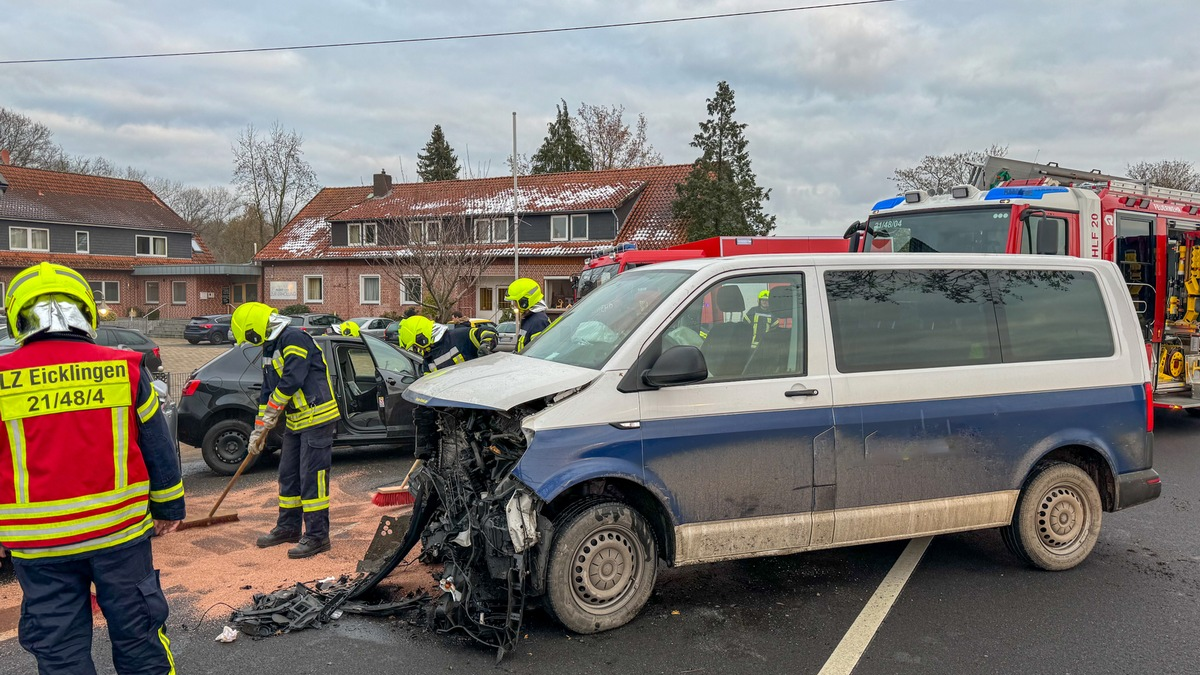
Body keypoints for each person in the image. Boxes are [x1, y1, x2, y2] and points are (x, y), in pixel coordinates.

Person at [0, 262, 184, 675]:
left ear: (17, 314)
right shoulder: (125, 368)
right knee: (140, 639)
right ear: (84, 309)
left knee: (60, 650)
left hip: (39, 544)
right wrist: (169, 508)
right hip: (119, 535)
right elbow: (157, 445)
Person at [231, 302, 341, 559]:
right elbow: (268, 390)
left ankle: (317, 536)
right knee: (288, 474)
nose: (251, 343)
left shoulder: (294, 338)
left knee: (312, 478)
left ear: (254, 329)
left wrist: (272, 412)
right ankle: (288, 527)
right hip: (296, 421)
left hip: (317, 417)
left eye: (249, 337)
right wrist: (258, 431)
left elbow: (293, 378)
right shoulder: (270, 348)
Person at [397, 315, 496, 458]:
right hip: (459, 407)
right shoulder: (428, 362)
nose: (417, 351)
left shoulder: (458, 336)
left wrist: (486, 345)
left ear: (422, 338)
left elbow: (488, 332)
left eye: (415, 346)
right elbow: (428, 389)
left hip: (482, 400)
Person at [506, 278, 551, 352]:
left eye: (515, 301)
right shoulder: (529, 319)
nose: (514, 305)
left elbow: (538, 353)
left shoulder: (538, 322)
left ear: (524, 301)